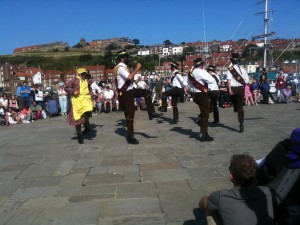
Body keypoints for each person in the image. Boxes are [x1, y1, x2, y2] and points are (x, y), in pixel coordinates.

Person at [199, 154, 275, 225]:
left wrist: (210, 198)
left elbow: (202, 204)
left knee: (211, 212)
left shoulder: (221, 197)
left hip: (217, 201)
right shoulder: (266, 191)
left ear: (231, 177)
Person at [113, 50, 161, 144]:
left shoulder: (123, 67)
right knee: (130, 115)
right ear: (122, 58)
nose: (128, 58)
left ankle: (151, 112)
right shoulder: (120, 68)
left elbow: (128, 81)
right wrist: (137, 68)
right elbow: (129, 77)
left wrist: (135, 87)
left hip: (130, 90)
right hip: (126, 93)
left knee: (146, 92)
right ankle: (130, 136)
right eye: (126, 57)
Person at [188, 58, 215, 142]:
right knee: (205, 114)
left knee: (205, 111)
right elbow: (211, 80)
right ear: (201, 65)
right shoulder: (202, 72)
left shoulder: (190, 73)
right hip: (201, 94)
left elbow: (187, 84)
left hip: (194, 95)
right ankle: (204, 134)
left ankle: (200, 122)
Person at [65, 68, 94, 144]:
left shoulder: (86, 81)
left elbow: (90, 89)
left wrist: (92, 97)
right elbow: (67, 88)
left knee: (88, 112)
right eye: (82, 73)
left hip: (86, 99)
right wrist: (73, 92)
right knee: (78, 119)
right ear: (79, 74)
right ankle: (79, 135)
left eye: (85, 73)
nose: (84, 75)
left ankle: (86, 125)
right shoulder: (74, 80)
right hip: (77, 101)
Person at [227, 53, 249, 133]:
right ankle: (241, 123)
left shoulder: (230, 69)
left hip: (233, 88)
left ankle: (235, 107)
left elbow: (229, 80)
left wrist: (229, 89)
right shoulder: (243, 69)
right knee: (240, 107)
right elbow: (246, 81)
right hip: (241, 88)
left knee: (234, 102)